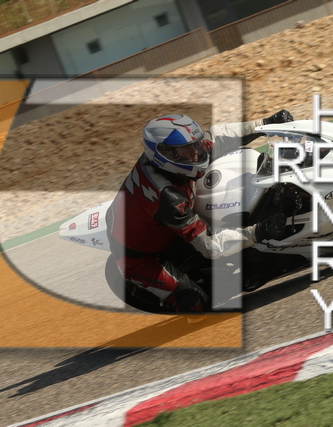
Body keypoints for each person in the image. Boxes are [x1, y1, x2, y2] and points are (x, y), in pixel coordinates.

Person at [106, 110, 294, 313]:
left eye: (194, 144)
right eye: (185, 150)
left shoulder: (172, 159)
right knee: (196, 303)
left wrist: (265, 123)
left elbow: (218, 137)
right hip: (139, 258)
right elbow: (210, 245)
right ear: (165, 154)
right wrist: (259, 231)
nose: (195, 152)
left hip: (154, 220)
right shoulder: (167, 196)